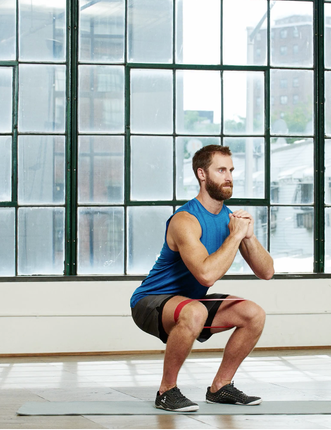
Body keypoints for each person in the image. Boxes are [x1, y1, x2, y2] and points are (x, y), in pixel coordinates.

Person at [130, 145, 274, 412]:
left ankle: (221, 386)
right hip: (150, 302)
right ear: (202, 174)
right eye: (221, 170)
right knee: (195, 311)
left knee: (254, 314)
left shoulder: (231, 220)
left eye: (231, 170)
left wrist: (248, 236)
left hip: (190, 300)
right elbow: (206, 274)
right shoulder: (185, 220)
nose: (229, 176)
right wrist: (235, 236)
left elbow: (266, 272)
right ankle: (166, 391)